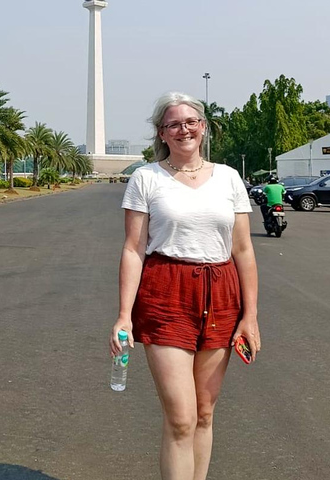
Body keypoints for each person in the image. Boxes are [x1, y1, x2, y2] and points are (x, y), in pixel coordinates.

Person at [111, 92, 260, 480]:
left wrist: (251, 317)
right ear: (162, 133)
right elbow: (133, 249)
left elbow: (243, 250)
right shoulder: (146, 178)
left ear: (203, 127)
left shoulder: (228, 178)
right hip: (166, 294)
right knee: (180, 418)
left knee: (204, 414)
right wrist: (124, 316)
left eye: (191, 121)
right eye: (174, 124)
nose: (184, 129)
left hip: (221, 292)